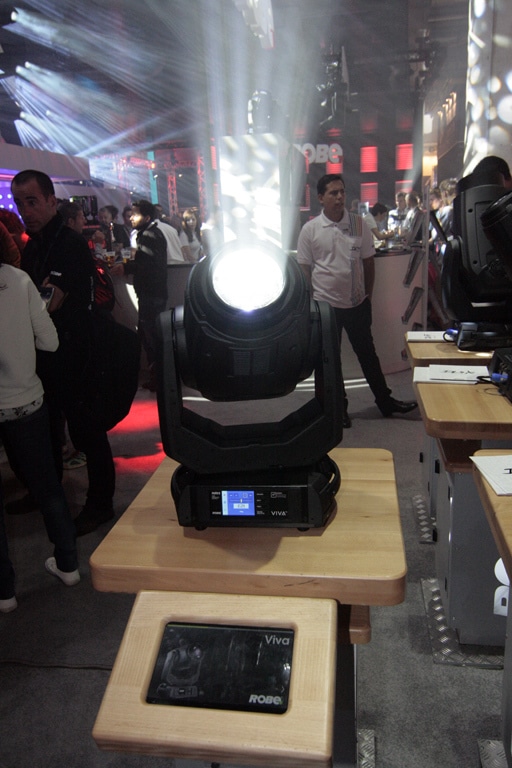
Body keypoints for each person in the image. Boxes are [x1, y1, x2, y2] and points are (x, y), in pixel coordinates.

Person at [11, 169, 116, 536]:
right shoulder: (35, 245)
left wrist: (33, 301)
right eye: (20, 203)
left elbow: (47, 302)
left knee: (87, 432)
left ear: (51, 200)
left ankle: (100, 504)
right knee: (48, 431)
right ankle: (45, 492)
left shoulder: (68, 244)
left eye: (32, 201)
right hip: (45, 354)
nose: (26, 210)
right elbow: (34, 301)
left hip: (76, 352)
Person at [296, 173, 417, 427]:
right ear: (321, 198)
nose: (340, 197)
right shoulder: (310, 230)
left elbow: (368, 263)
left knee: (368, 355)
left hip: (357, 303)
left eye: (342, 191)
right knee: (331, 359)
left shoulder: (358, 224)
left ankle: (385, 401)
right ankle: (339, 408)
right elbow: (305, 270)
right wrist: (311, 305)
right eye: (333, 193)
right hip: (326, 306)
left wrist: (367, 297)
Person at [0, 261, 80, 612]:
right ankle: (68, 565)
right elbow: (50, 341)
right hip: (26, 402)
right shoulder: (19, 279)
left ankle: (4, 592)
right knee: (48, 486)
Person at [110, 199, 167, 391]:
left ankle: (159, 378)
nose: (131, 217)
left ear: (147, 217)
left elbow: (148, 264)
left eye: (135, 214)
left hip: (151, 294)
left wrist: (126, 267)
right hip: (152, 293)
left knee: (151, 335)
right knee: (150, 334)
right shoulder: (149, 233)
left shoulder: (149, 235)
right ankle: (159, 377)